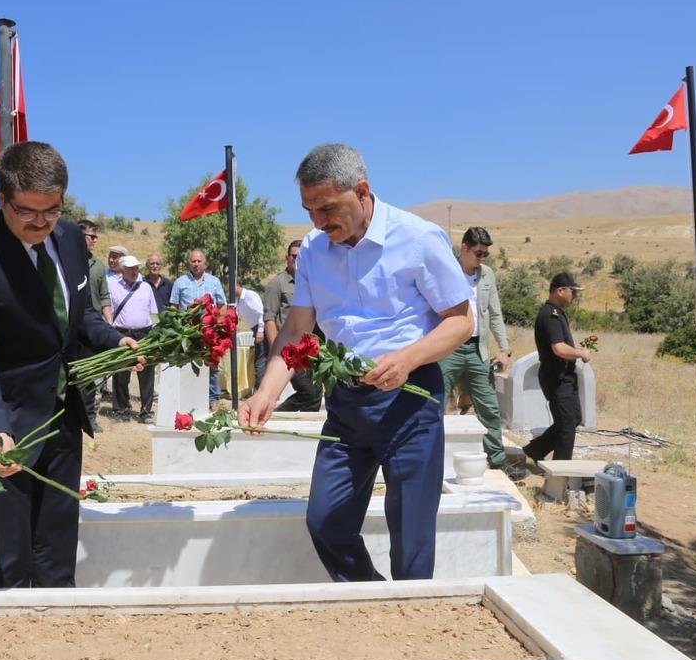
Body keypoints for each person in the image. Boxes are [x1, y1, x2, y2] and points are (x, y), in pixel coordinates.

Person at [239, 143, 473, 582]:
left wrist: (407, 359)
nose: (318, 222)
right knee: (326, 521)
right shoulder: (312, 249)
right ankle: (373, 598)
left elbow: (460, 321)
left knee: (411, 538)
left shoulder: (418, 238)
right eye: (309, 210)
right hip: (346, 402)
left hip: (410, 402)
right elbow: (296, 332)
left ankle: (411, 626)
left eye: (327, 208)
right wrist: (266, 392)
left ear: (362, 191)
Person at [0, 141, 139, 588]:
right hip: (3, 420)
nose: (40, 223)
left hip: (61, 413)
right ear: (1, 198)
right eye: (27, 211)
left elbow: (77, 312)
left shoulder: (67, 239)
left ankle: (58, 638)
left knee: (56, 543)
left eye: (51, 210)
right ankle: (9, 648)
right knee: (8, 558)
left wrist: (114, 339)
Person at [437, 227, 513, 473]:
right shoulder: (444, 270)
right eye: (478, 253)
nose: (481, 258)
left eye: (485, 254)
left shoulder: (487, 275)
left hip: (478, 350)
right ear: (464, 248)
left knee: (489, 407)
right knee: (440, 406)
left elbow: (495, 314)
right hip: (448, 349)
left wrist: (504, 349)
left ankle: (497, 461)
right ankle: (439, 462)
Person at [522, 272, 591, 463]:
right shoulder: (550, 316)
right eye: (572, 291)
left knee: (572, 419)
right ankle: (560, 473)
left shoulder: (556, 313)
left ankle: (535, 450)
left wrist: (575, 349)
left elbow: (560, 345)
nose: (574, 296)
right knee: (567, 425)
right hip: (557, 378)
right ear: (560, 291)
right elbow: (559, 349)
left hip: (564, 377)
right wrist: (581, 354)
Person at [264, 240, 322, 412]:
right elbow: (269, 319)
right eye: (294, 256)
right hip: (291, 350)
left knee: (316, 395)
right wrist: (277, 354)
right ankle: (274, 416)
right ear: (287, 257)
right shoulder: (277, 284)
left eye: (300, 257)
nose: (297, 261)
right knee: (309, 393)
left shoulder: (312, 281)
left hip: (314, 351)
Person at [170, 249, 227, 409]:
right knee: (188, 364)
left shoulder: (214, 282)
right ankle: (189, 398)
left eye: (199, 261)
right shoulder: (180, 282)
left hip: (209, 331)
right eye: (193, 261)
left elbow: (222, 305)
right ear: (189, 263)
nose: (196, 264)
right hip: (188, 333)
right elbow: (173, 306)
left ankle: (213, 399)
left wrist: (219, 325)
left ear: (205, 263)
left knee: (212, 365)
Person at [107, 254, 158, 423]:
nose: (134, 271)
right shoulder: (114, 288)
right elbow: (110, 314)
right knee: (121, 372)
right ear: (122, 270)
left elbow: (153, 313)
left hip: (144, 334)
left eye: (136, 268)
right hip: (122, 334)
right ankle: (121, 410)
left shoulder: (146, 287)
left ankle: (146, 411)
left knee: (147, 373)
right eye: (130, 268)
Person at [76, 219, 111, 432]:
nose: (95, 241)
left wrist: (109, 324)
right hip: (70, 328)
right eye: (92, 236)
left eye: (96, 236)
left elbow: (104, 296)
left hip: (92, 327)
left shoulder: (98, 266)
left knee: (90, 375)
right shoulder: (67, 259)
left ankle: (90, 418)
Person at [234, 280, 266, 390]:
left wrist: (260, 330)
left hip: (261, 328)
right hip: (255, 328)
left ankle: (259, 389)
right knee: (259, 358)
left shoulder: (249, 296)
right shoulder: (238, 300)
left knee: (261, 360)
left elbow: (261, 312)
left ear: (238, 285)